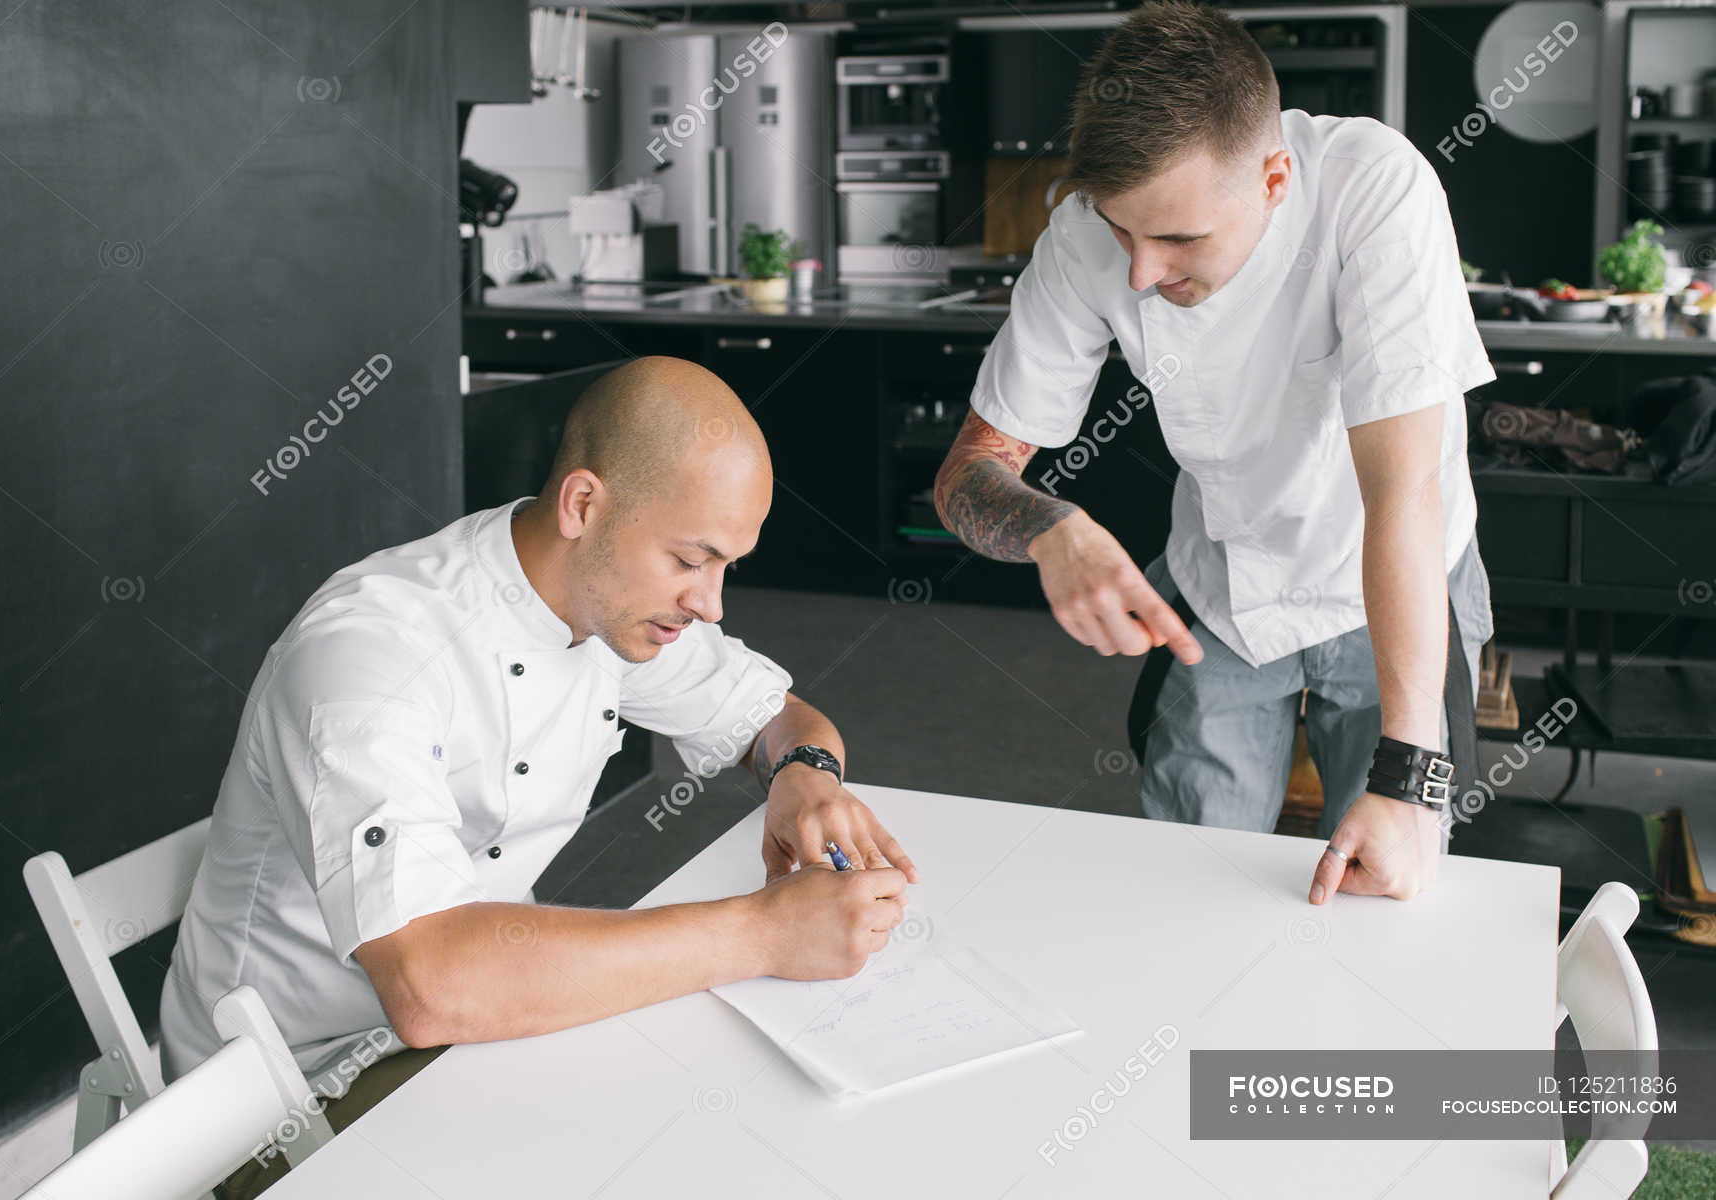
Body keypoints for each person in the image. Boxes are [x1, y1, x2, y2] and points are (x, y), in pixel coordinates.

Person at [161, 356, 915, 1198]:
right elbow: (427, 983)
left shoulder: (608, 603)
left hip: (469, 1026)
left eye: (726, 565)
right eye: (691, 560)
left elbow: (782, 718)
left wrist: (805, 775)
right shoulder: (372, 652)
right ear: (583, 505)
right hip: (282, 1099)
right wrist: (763, 932)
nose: (712, 604)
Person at [934, 0, 1493, 908]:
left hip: (1392, 576)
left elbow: (1403, 497)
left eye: (1181, 238)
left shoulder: (1375, 191)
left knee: (1389, 878)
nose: (1142, 273)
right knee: (1190, 886)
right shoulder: (1084, 236)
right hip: (1222, 588)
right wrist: (1051, 528)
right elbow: (967, 473)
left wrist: (1407, 781)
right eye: (1124, 230)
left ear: (1275, 179)